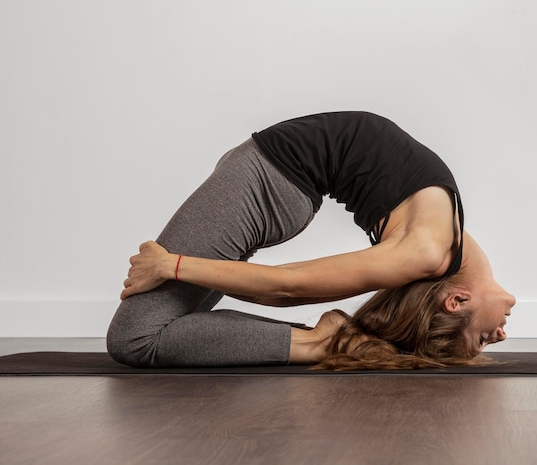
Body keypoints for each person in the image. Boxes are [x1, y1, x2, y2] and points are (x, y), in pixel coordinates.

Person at [107, 111, 515, 370]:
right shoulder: (444, 250)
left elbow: (287, 288)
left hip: (267, 183)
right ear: (456, 301)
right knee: (161, 326)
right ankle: (317, 340)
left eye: (485, 337)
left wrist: (172, 265)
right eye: (485, 337)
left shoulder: (429, 251)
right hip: (269, 178)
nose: (500, 335)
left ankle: (318, 343)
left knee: (136, 339)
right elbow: (286, 288)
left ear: (458, 301)